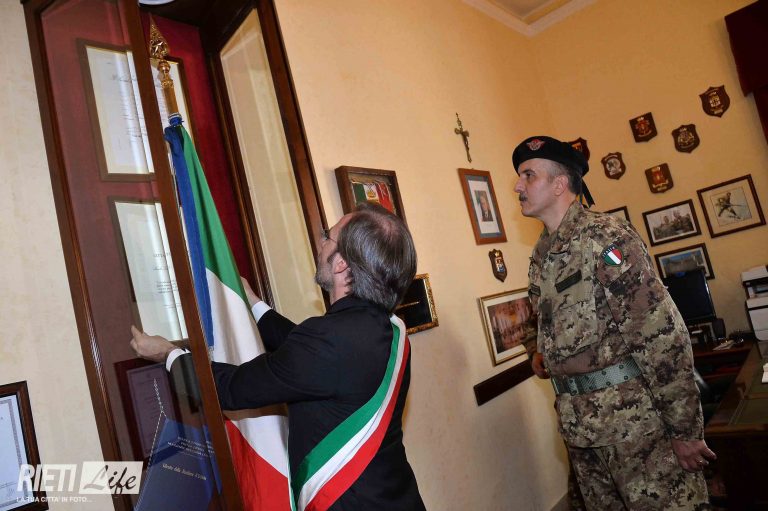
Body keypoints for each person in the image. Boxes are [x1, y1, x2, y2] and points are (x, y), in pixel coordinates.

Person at [130, 202, 426, 511]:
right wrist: (254, 304)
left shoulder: (328, 340)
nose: (321, 243)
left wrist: (169, 354)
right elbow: (313, 357)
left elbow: (232, 388)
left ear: (341, 265)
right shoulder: (389, 329)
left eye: (328, 236)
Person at [512, 135, 715, 510]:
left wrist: (685, 429)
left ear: (559, 184)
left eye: (528, 175)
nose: (517, 186)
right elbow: (541, 321)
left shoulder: (604, 238)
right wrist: (536, 351)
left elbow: (661, 335)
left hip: (635, 428)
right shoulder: (542, 254)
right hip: (581, 430)